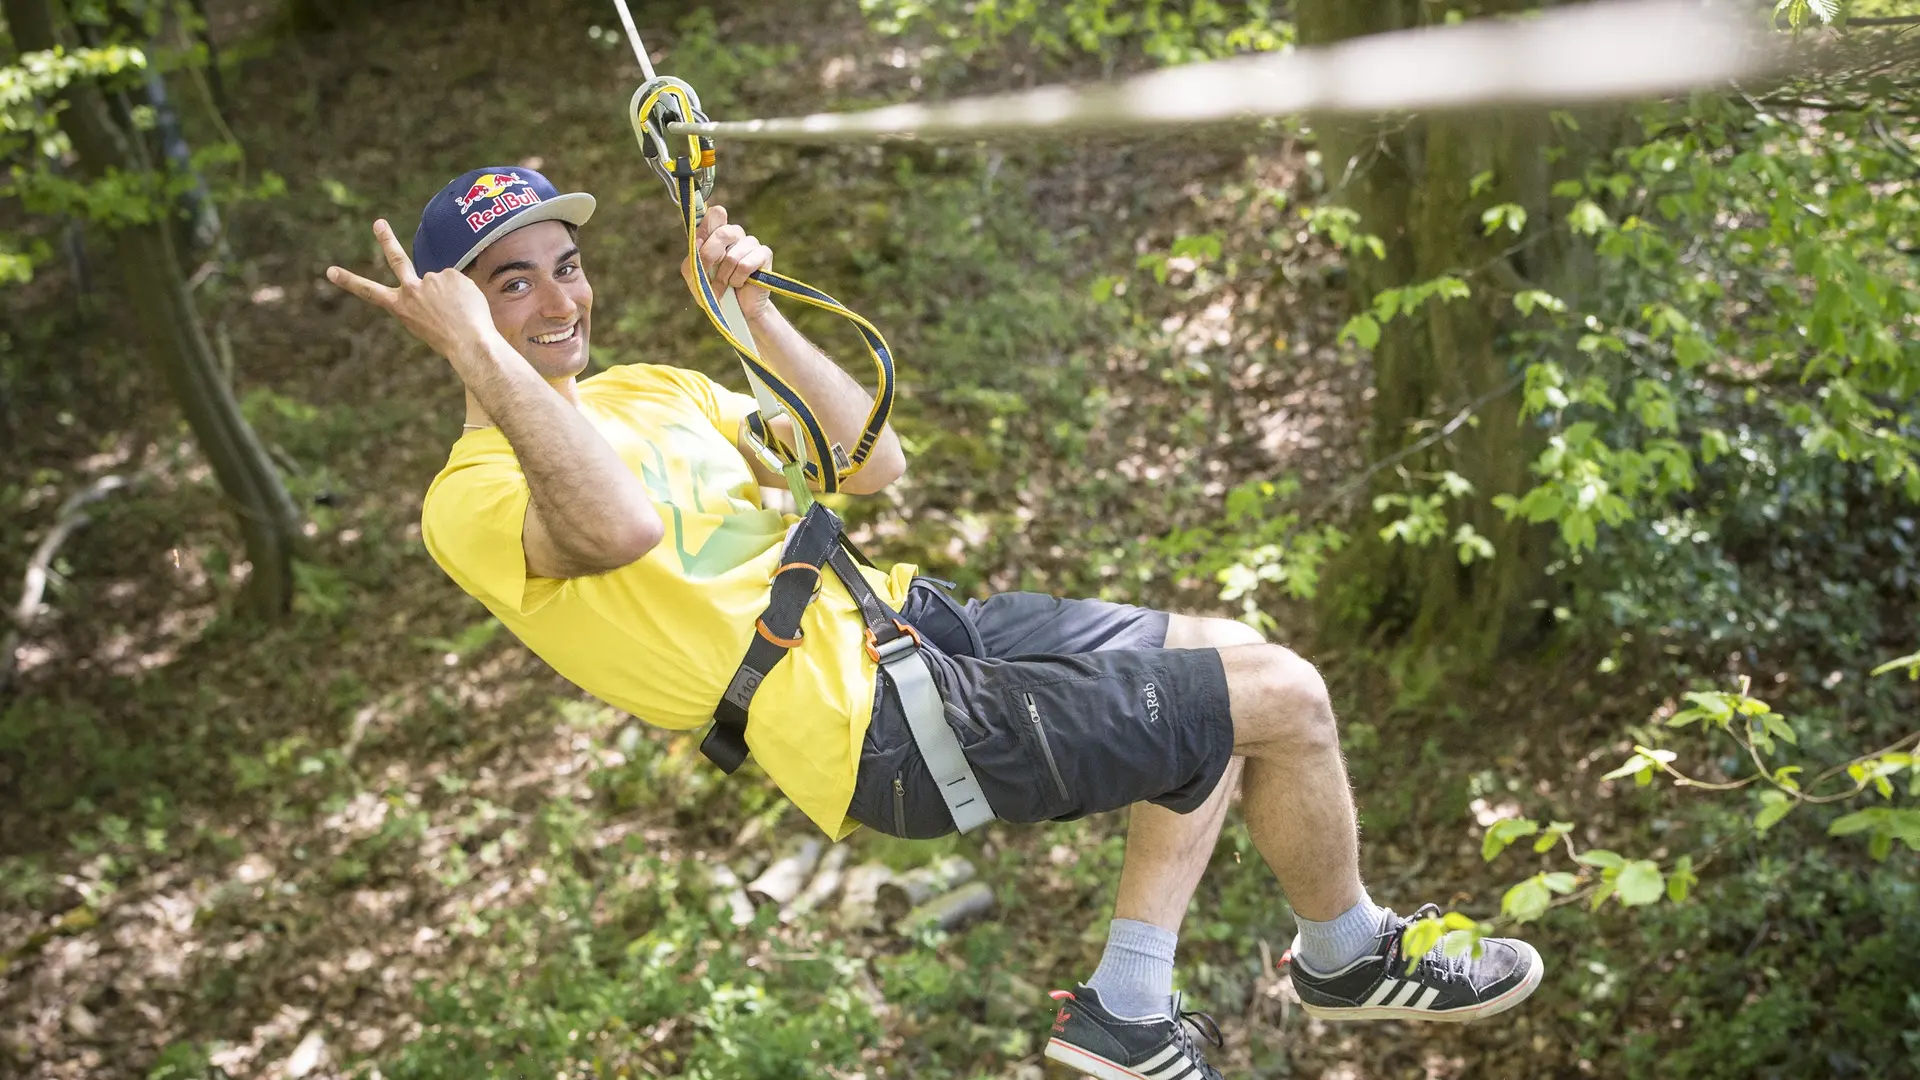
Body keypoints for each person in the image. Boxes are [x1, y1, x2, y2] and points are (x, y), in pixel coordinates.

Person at [327, 166, 1545, 1080]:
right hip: (870, 726)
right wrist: (486, 363)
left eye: (567, 266)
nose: (556, 301)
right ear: (460, 320)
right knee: (1287, 697)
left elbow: (871, 465)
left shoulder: (655, 390)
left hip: (917, 627)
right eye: (511, 283)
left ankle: (1132, 1005)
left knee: (1223, 657)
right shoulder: (471, 496)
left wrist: (750, 313)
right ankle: (1344, 951)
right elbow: (615, 532)